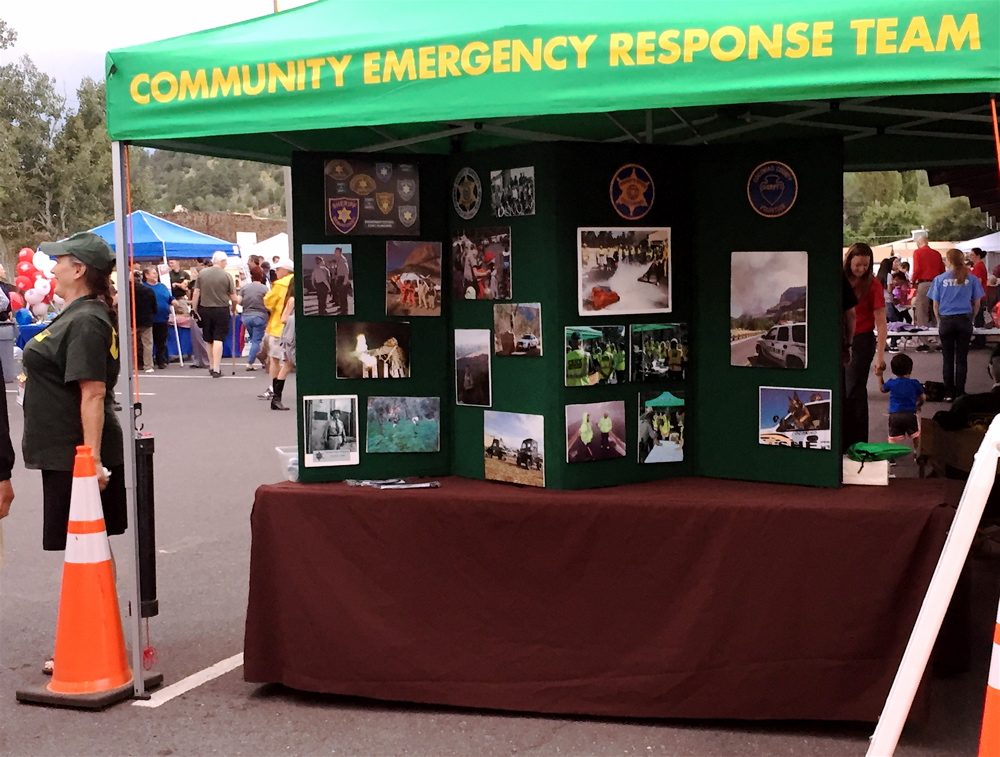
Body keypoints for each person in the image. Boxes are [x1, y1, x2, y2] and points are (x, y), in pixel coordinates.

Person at [24, 233, 124, 673]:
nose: (53, 267)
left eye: (60, 260)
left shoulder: (85, 320)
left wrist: (92, 460)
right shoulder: (78, 314)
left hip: (77, 452)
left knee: (87, 544)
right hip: (67, 451)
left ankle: (91, 636)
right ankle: (94, 630)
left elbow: (93, 393)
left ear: (80, 269)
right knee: (85, 544)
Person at [843, 242, 887, 450]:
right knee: (841, 390)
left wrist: (880, 355)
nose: (861, 269)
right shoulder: (840, 280)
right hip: (840, 338)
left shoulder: (873, 284)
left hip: (861, 340)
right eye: (857, 264)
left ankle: (858, 442)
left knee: (854, 390)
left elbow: (881, 319)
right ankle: (842, 439)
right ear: (849, 260)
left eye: (865, 265)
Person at [928, 247, 984, 401]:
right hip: (964, 320)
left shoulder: (939, 279)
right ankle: (960, 392)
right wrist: (971, 318)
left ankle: (948, 393)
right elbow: (977, 302)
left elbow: (935, 305)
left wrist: (940, 320)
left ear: (949, 261)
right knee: (961, 358)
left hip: (946, 320)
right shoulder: (971, 279)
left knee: (947, 358)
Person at [191, 251, 236, 378]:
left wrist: (194, 308)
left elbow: (196, 293)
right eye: (225, 262)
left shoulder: (202, 274)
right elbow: (233, 296)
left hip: (205, 309)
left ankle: (211, 365)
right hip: (221, 309)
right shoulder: (226, 276)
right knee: (218, 338)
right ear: (221, 261)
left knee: (208, 339)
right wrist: (234, 304)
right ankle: (216, 367)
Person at [259, 259, 294, 408]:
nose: (276, 272)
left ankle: (274, 391)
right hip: (291, 330)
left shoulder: (280, 284)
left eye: (278, 269)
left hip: (278, 327)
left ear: (285, 270)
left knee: (275, 359)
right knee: (287, 363)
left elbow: (268, 303)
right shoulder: (297, 280)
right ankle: (276, 397)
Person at [876, 353, 925, 449]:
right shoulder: (914, 383)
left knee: (892, 437)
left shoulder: (891, 382)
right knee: (915, 434)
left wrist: (879, 376)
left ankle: (891, 456)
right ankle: (916, 453)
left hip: (894, 415)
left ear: (893, 370)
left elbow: (882, 389)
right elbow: (923, 397)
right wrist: (919, 405)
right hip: (910, 414)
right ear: (910, 369)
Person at [911, 229, 944, 351]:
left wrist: (913, 281)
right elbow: (942, 270)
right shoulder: (937, 253)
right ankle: (939, 340)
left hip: (924, 283)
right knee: (937, 312)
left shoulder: (918, 253)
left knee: (922, 312)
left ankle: (924, 342)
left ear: (919, 243)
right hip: (937, 283)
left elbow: (917, 268)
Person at [143, 265, 175, 370]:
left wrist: (173, 301)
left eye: (156, 273)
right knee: (149, 341)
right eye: (153, 273)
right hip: (150, 318)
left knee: (161, 341)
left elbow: (169, 297)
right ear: (146, 275)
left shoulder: (162, 286)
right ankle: (148, 361)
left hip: (163, 318)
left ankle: (161, 360)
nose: (156, 275)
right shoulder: (144, 287)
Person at [238, 266, 269, 371]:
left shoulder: (245, 288)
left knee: (254, 340)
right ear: (261, 276)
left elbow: (239, 301)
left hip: (246, 316)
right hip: (260, 316)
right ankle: (250, 363)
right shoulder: (265, 288)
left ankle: (263, 361)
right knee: (257, 341)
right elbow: (268, 303)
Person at [132, 269, 157, 372]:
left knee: (132, 344)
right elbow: (154, 307)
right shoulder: (148, 290)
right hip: (146, 320)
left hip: (132, 320)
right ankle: (148, 365)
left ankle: (133, 365)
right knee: (147, 344)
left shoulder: (127, 291)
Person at [969, 247, 989, 346]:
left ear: (978, 256)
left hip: (979, 295)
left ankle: (980, 339)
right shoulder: (979, 266)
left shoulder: (978, 266)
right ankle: (979, 339)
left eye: (972, 255)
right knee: (978, 317)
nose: (970, 257)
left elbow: (978, 281)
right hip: (981, 294)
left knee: (978, 317)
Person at [330, 247, 351, 315]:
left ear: (339, 252)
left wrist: (345, 281)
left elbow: (346, 271)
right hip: (339, 279)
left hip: (342, 279)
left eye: (336, 251)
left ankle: (344, 311)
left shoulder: (342, 260)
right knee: (340, 295)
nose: (335, 252)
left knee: (343, 296)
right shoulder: (338, 260)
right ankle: (342, 308)